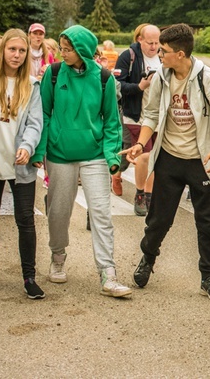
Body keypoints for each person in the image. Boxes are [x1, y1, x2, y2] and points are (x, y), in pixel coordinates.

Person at [124, 24, 210, 299]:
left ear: (181, 54)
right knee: (159, 219)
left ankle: (208, 276)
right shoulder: (161, 77)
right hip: (170, 158)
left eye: (165, 51)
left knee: (207, 222)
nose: (160, 55)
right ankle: (148, 258)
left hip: (201, 160)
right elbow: (149, 116)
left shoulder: (205, 77)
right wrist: (139, 144)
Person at [31, 24, 132, 298]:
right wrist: (40, 152)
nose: (62, 53)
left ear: (82, 50)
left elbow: (112, 121)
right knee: (59, 212)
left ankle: (108, 273)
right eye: (61, 48)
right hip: (60, 155)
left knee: (100, 212)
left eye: (68, 49)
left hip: (95, 155)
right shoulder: (52, 75)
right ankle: (58, 256)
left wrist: (112, 156)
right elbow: (44, 115)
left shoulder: (103, 78)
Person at [0, 28, 44, 299]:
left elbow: (36, 122)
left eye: (22, 50)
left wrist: (27, 146)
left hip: (20, 162)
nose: (17, 55)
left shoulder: (32, 85)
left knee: (25, 219)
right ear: (1, 51)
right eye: (12, 49)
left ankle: (29, 277)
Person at [114, 24, 161, 212]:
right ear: (139, 40)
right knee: (145, 156)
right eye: (150, 42)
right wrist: (139, 87)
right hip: (134, 115)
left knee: (151, 156)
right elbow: (116, 86)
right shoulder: (128, 57)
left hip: (158, 116)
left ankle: (117, 174)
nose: (154, 46)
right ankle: (142, 196)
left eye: (157, 42)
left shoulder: (164, 57)